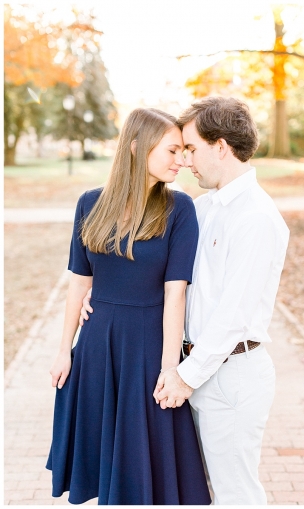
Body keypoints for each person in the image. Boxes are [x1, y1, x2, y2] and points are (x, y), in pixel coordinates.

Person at [81, 97, 289, 505]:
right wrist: (102, 292)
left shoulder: (257, 217)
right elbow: (168, 275)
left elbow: (233, 314)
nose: (185, 161)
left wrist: (184, 376)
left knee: (235, 493)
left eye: (190, 148)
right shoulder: (203, 206)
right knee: (191, 491)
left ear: (221, 147)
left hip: (229, 374)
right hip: (195, 369)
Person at [47, 108, 211, 505]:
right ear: (137, 147)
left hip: (149, 349)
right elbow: (79, 282)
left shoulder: (179, 208)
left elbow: (177, 294)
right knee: (104, 465)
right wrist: (63, 350)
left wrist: (170, 368)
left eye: (183, 151)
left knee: (147, 468)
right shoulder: (89, 204)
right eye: (172, 150)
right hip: (97, 348)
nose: (182, 160)